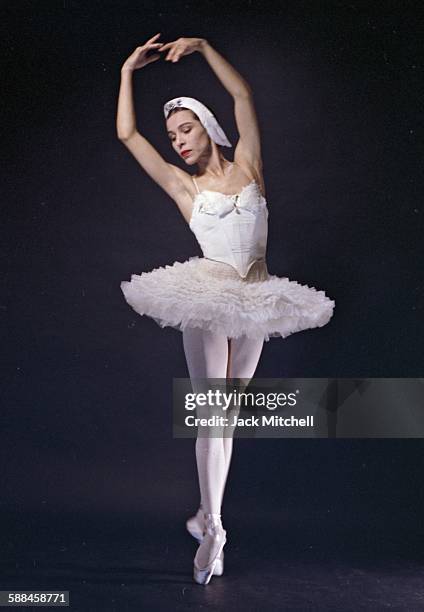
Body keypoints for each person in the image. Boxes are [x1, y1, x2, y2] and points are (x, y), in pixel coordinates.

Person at [117, 33, 335, 585]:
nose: (178, 143)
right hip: (208, 297)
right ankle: (212, 524)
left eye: (185, 129)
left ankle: (210, 517)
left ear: (207, 127)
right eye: (172, 137)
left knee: (227, 418)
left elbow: (242, 96)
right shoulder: (185, 189)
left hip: (256, 297)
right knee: (213, 413)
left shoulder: (250, 165)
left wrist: (203, 47)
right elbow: (126, 134)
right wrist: (126, 71)